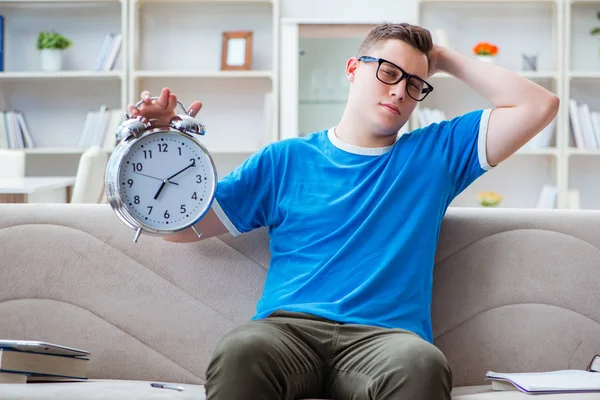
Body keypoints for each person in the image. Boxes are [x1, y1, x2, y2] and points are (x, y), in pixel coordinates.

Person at [128, 22, 559, 400]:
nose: (398, 91)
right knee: (241, 350)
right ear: (354, 70)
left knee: (422, 364)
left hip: (386, 341)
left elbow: (539, 106)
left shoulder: (437, 154)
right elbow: (178, 229)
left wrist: (441, 56)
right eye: (388, 72)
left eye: (414, 84)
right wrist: (159, 142)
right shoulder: (284, 160)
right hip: (287, 333)